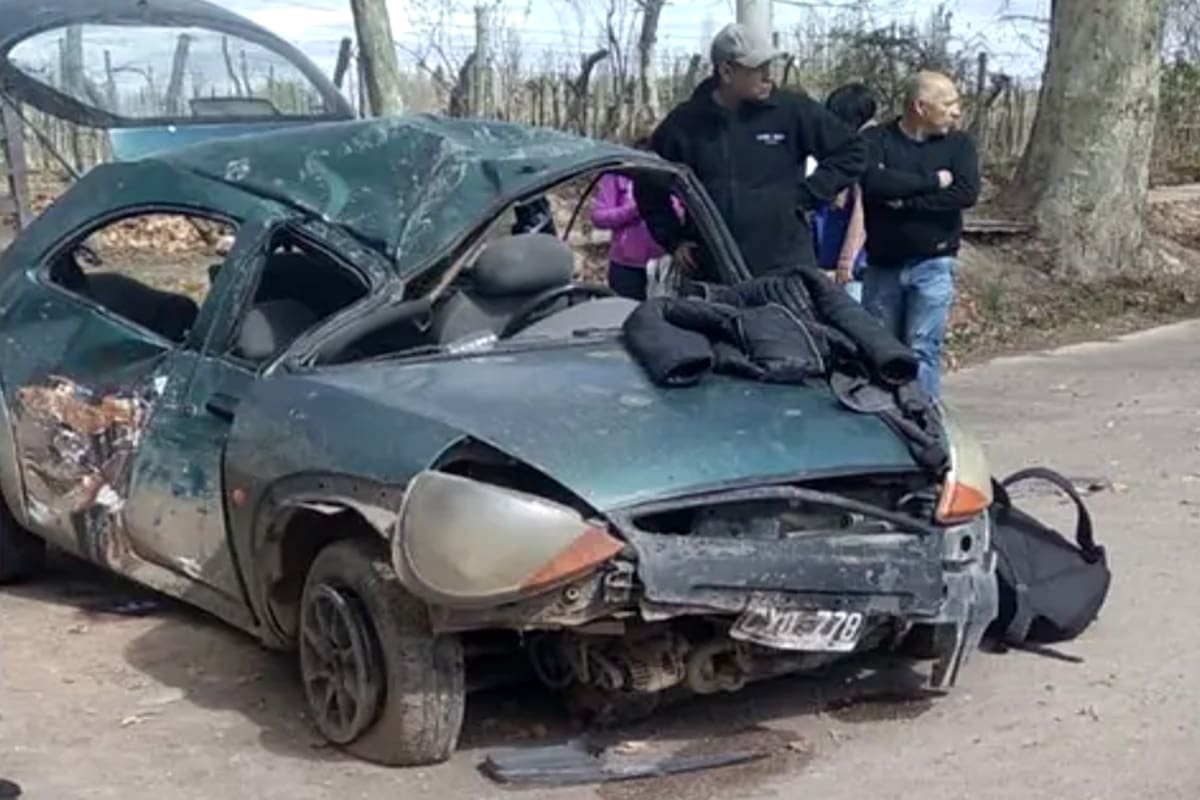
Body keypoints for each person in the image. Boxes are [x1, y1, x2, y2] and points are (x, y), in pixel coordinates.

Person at [634, 22, 866, 279]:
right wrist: (673, 239)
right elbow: (648, 184)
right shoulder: (684, 124)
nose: (769, 76)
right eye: (759, 69)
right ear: (726, 71)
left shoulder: (793, 111)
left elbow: (853, 152)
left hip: (786, 268)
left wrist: (810, 193)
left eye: (770, 66)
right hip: (713, 272)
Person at [859, 70, 979, 398]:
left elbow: (965, 193)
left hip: (933, 263)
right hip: (883, 265)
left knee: (922, 348)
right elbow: (872, 183)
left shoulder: (959, 145)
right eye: (948, 104)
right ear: (920, 107)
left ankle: (923, 419)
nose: (956, 111)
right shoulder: (876, 141)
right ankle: (884, 420)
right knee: (880, 351)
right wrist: (932, 181)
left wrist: (902, 199)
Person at [589, 125, 682, 300]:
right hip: (625, 265)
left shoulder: (672, 176)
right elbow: (598, 217)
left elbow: (687, 214)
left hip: (665, 264)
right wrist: (634, 209)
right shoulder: (618, 175)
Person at [810, 82, 878, 301]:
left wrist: (846, 262)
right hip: (832, 260)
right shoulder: (845, 148)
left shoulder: (863, 153)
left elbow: (861, 213)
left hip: (852, 268)